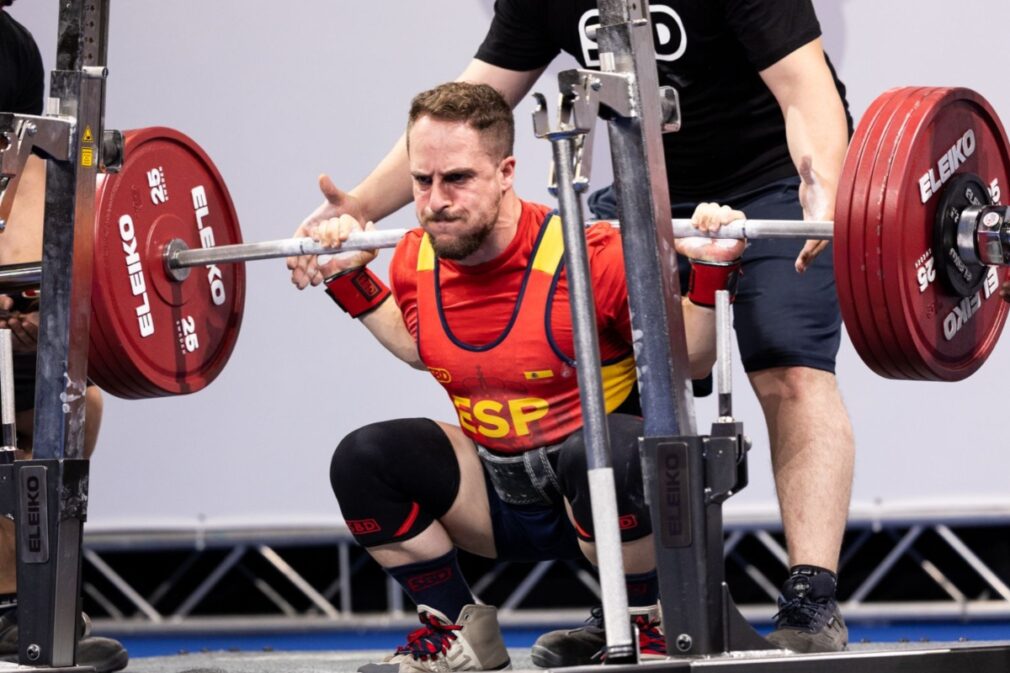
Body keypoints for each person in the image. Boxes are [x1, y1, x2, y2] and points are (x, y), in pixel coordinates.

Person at [289, 0, 854, 658]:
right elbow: (471, 105)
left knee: (789, 367)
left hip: (771, 180)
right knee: (606, 380)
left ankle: (810, 598)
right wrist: (358, 205)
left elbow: (803, 85)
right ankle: (632, 600)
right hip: (646, 182)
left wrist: (826, 190)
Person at [294, 81, 744, 671]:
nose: (435, 202)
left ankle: (642, 621)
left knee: (608, 447)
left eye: (457, 179)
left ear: (506, 171)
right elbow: (417, 348)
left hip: (604, 495)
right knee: (364, 457)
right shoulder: (413, 256)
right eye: (421, 182)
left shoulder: (591, 255)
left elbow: (693, 361)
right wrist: (346, 279)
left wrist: (710, 270)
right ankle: (459, 631)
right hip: (495, 500)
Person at [0, 3, 127, 672]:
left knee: (72, 402)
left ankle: (27, 604)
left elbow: (19, 171)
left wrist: (29, 299)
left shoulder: (11, 45)